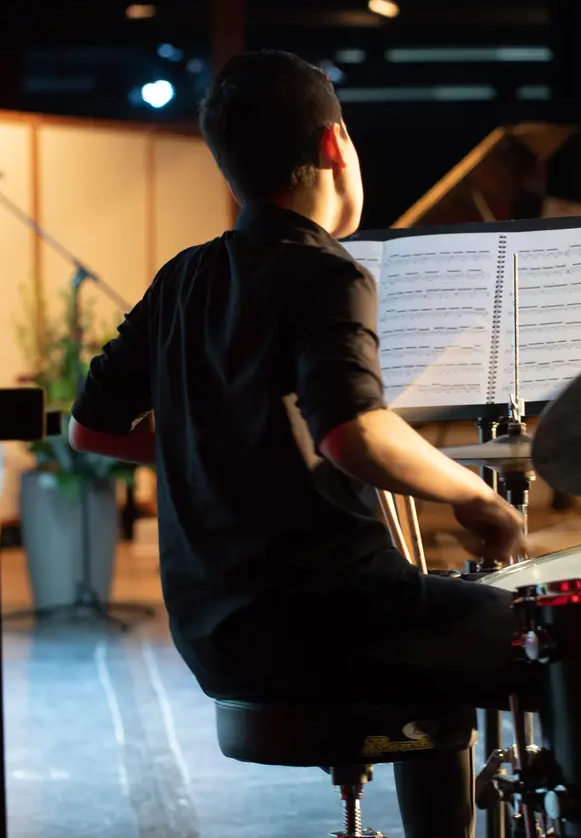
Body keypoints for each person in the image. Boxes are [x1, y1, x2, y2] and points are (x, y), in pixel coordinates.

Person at [66, 49, 528, 838]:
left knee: (442, 656)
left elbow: (91, 429)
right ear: (334, 144)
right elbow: (352, 431)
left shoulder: (183, 278)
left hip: (216, 636)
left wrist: (218, 446)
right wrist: (479, 499)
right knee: (558, 641)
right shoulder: (325, 272)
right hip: (333, 624)